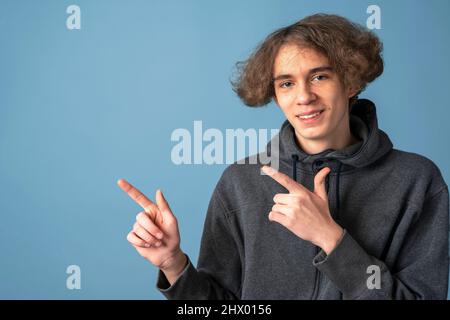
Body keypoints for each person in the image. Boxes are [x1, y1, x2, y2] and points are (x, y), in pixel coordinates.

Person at [117, 13, 449, 299]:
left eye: (320, 76)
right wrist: (173, 264)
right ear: (275, 94)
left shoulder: (417, 181)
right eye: (287, 83)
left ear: (350, 83)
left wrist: (330, 238)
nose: (304, 96)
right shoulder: (241, 181)